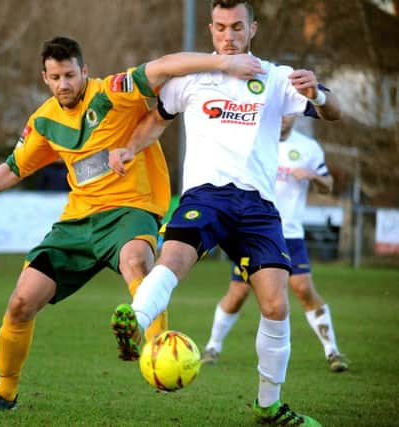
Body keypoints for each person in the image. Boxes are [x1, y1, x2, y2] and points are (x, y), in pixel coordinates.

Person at [0, 36, 263, 412]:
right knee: (20, 303)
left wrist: (222, 64)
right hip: (77, 223)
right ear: (45, 78)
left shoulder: (114, 92)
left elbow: (164, 64)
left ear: (84, 71)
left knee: (136, 263)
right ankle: (4, 394)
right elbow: (15, 167)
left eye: (69, 74)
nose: (64, 84)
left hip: (131, 210)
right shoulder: (45, 120)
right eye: (55, 77)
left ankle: (159, 351)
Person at [108, 1, 341, 426]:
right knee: (173, 259)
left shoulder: (275, 77)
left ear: (252, 28)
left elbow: (333, 113)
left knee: (275, 305)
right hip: (207, 196)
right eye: (220, 27)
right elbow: (155, 121)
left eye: (237, 27)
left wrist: (319, 94)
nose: (228, 36)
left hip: (257, 205)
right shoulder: (192, 79)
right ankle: (136, 322)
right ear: (211, 30)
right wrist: (129, 147)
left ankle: (268, 407)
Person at [201, 115, 349, 373]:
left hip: (290, 234)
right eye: (277, 112)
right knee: (237, 294)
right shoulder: (253, 140)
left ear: (294, 113)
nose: (282, 118)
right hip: (255, 233)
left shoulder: (308, 147)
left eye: (288, 112)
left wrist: (314, 176)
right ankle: (212, 346)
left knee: (303, 289)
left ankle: (332, 351)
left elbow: (328, 185)